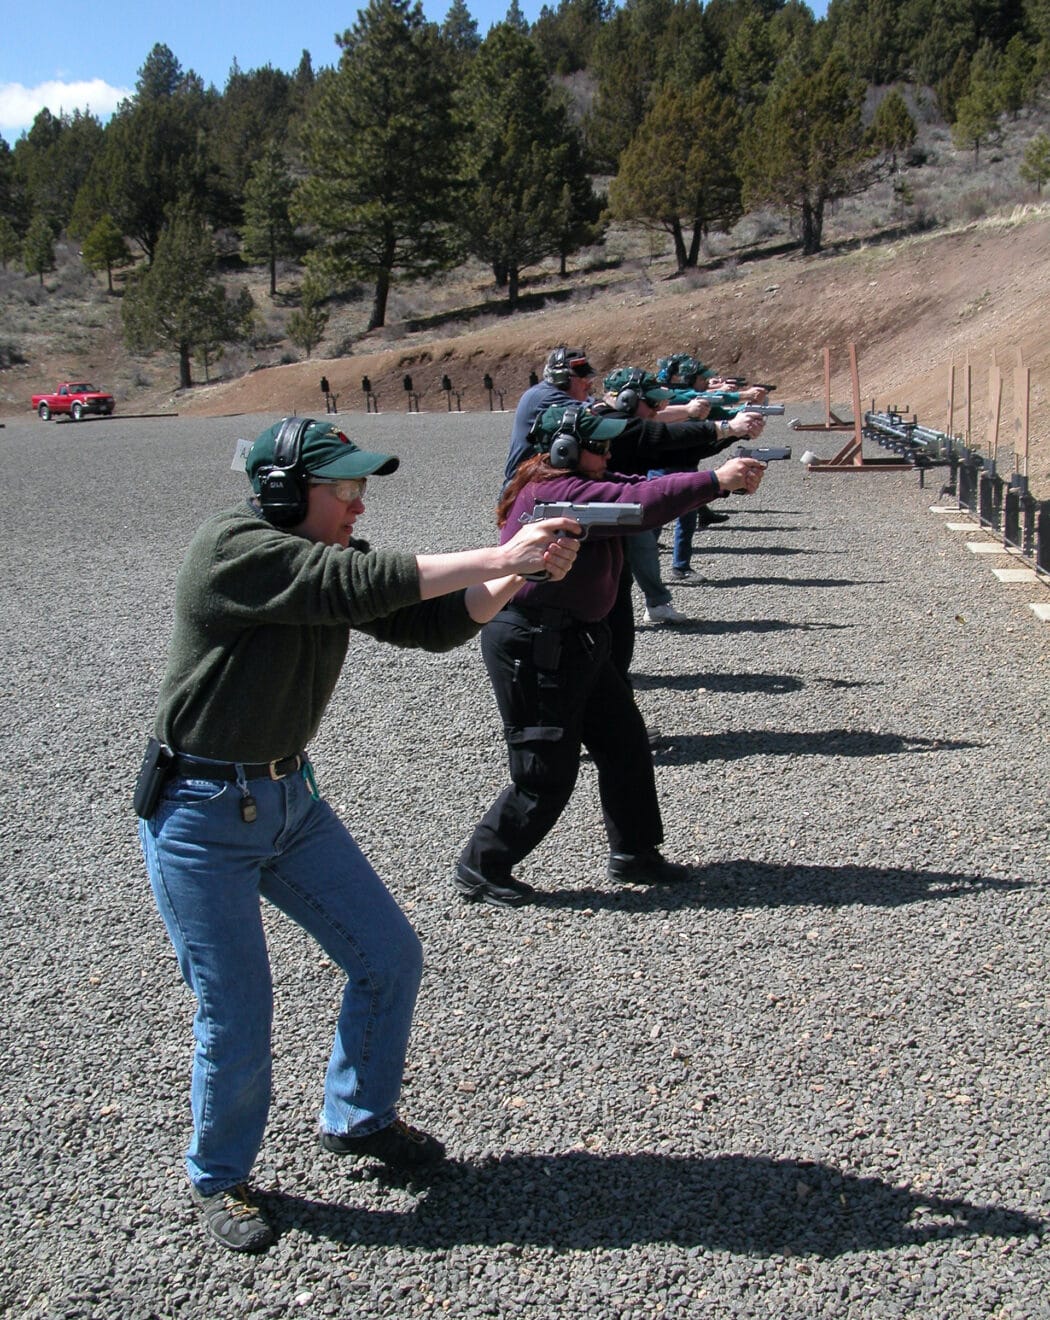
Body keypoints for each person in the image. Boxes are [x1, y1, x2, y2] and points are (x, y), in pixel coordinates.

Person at [136, 416, 580, 1252]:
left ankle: (359, 1118)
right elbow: (358, 583)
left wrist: (521, 574)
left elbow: (430, 622)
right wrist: (504, 554)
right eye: (342, 487)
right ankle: (220, 1177)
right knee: (236, 1010)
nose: (357, 500)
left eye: (358, 485)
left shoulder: (321, 564)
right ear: (280, 491)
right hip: (200, 814)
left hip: (287, 800)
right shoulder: (238, 549)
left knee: (387, 957)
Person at [454, 405, 765, 908]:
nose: (607, 452)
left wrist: (715, 480)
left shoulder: (571, 478)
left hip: (577, 642)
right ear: (564, 450)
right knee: (544, 774)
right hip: (538, 645)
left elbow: (635, 485)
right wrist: (714, 481)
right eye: (598, 446)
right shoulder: (557, 493)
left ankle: (634, 853)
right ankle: (482, 864)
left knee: (624, 746)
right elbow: (638, 504)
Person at [503, 346, 596, 484]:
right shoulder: (544, 396)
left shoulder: (567, 396)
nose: (588, 383)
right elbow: (597, 414)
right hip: (521, 483)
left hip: (541, 477)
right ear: (562, 379)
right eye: (582, 377)